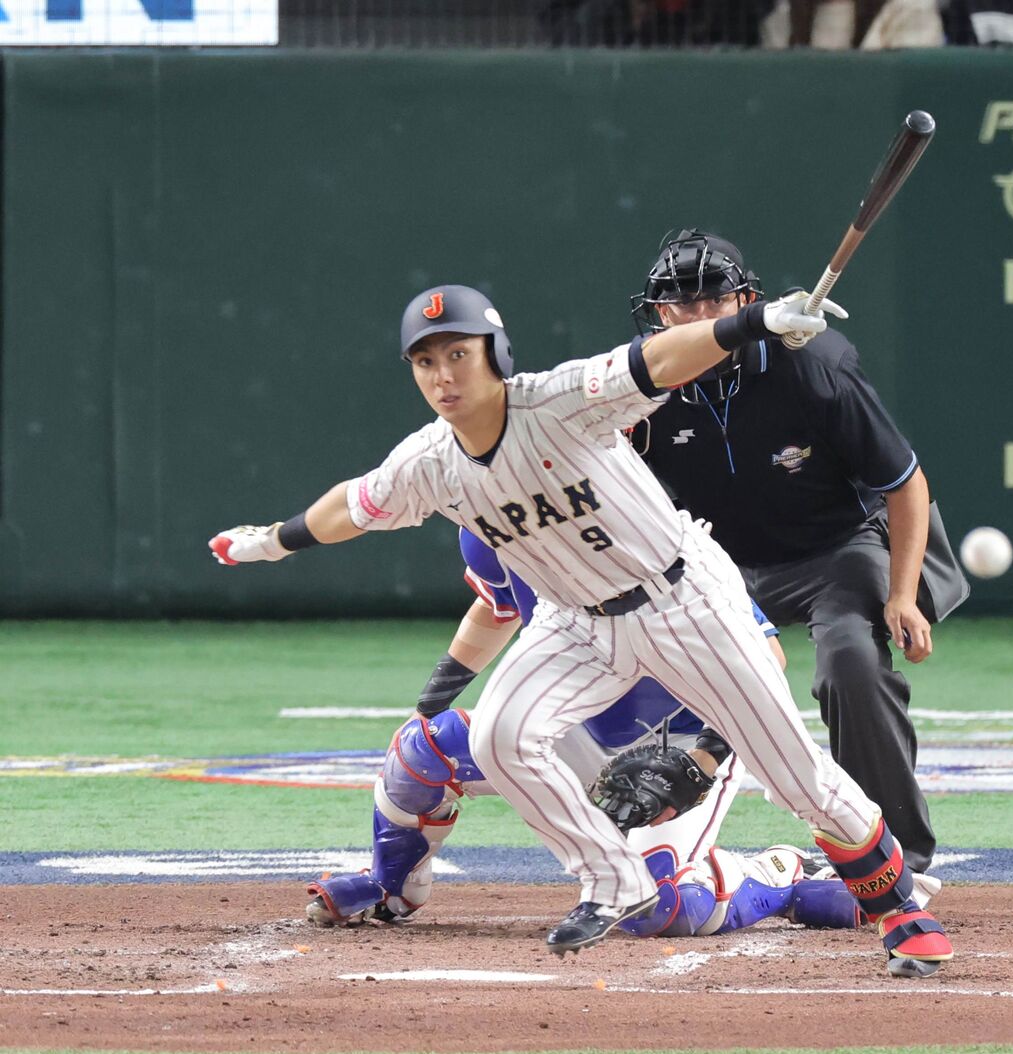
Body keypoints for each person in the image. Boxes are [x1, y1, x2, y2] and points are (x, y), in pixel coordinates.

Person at [209, 281, 952, 976]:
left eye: (459, 354)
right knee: (502, 735)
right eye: (426, 362)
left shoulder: (560, 401)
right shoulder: (430, 462)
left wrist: (752, 323)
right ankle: (613, 879)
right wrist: (274, 540)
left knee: (799, 779)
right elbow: (354, 504)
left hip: (682, 600)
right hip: (577, 623)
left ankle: (900, 909)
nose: (444, 375)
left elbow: (657, 359)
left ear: (496, 354)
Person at [303, 526, 908, 939]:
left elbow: (765, 661)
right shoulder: (490, 517)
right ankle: (392, 887)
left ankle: (780, 878)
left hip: (678, 744)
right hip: (568, 727)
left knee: (661, 910)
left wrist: (701, 759)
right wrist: (438, 691)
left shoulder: (651, 532)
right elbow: (499, 603)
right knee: (424, 750)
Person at [628, 229, 970, 876]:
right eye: (679, 306)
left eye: (713, 301)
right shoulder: (637, 387)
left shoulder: (813, 365)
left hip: (836, 550)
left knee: (851, 664)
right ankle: (643, 850)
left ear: (746, 301)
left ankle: (893, 858)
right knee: (630, 661)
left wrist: (902, 595)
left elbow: (905, 483)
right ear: (658, 315)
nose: (697, 317)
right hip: (717, 565)